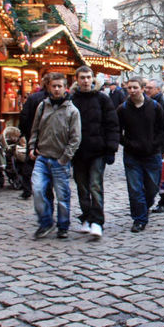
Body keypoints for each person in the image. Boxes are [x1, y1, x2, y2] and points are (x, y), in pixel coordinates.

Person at [28, 73, 81, 239]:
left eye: (60, 86)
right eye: (54, 86)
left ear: (65, 87)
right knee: (37, 189)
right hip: (42, 157)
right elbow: (35, 129)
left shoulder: (72, 110)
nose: (57, 89)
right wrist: (31, 147)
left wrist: (65, 158)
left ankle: (63, 225)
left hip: (60, 159)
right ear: (49, 87)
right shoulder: (43, 106)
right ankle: (45, 222)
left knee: (62, 196)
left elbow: (75, 138)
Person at [70, 65, 119, 239]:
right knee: (82, 187)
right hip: (77, 151)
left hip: (97, 150)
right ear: (77, 79)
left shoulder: (102, 99)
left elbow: (112, 124)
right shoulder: (71, 99)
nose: (85, 81)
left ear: (93, 79)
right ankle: (87, 217)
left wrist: (111, 148)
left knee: (95, 185)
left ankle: (97, 220)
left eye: (88, 77)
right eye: (82, 77)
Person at [118, 77, 164, 232]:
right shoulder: (123, 109)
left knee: (152, 188)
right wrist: (127, 143)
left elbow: (163, 129)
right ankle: (139, 219)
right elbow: (117, 131)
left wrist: (157, 145)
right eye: (129, 88)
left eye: (135, 87)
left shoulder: (155, 107)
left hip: (152, 154)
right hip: (132, 156)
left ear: (142, 88)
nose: (132, 91)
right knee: (135, 189)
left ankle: (144, 206)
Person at [18, 74, 50, 199]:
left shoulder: (33, 98)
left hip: (34, 134)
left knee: (30, 161)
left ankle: (27, 188)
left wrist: (26, 132)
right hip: (47, 135)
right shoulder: (46, 98)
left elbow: (24, 116)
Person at [145, 78, 164, 213]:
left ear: (158, 89)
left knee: (163, 175)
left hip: (163, 147)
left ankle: (163, 202)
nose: (147, 89)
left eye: (150, 88)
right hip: (155, 145)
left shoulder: (163, 104)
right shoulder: (152, 101)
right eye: (146, 87)